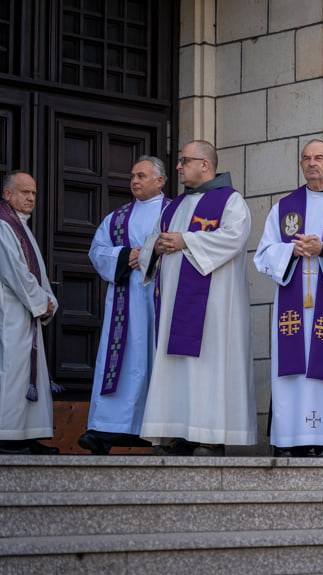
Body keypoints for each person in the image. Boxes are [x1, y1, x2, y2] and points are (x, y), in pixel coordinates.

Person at [138, 140, 255, 456]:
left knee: (208, 365)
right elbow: (156, 241)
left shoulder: (231, 202)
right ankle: (178, 431)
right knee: (178, 366)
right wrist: (158, 248)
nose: (178, 166)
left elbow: (233, 238)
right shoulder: (174, 205)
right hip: (175, 305)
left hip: (214, 306)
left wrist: (185, 240)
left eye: (184, 160)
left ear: (205, 164)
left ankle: (210, 436)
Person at [254, 139, 323, 457]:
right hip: (293, 305)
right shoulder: (284, 208)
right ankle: (293, 438)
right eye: (306, 158)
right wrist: (291, 249)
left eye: (319, 158)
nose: (312, 163)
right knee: (295, 370)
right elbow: (262, 254)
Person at [78, 157, 167, 455]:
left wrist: (151, 255)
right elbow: (98, 251)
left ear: (160, 180)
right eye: (132, 176)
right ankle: (105, 429)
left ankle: (163, 432)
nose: (135, 181)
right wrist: (126, 255)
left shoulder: (175, 213)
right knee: (124, 361)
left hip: (161, 299)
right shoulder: (117, 217)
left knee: (158, 361)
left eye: (142, 176)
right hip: (126, 301)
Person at [0, 171, 59, 454]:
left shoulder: (22, 227)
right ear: (7, 194)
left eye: (34, 193)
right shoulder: (3, 226)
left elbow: (39, 275)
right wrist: (40, 301)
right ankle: (7, 436)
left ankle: (26, 434)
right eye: (25, 192)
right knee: (10, 372)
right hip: (8, 313)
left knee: (28, 374)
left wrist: (49, 300)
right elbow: (16, 273)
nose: (31, 198)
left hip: (25, 313)